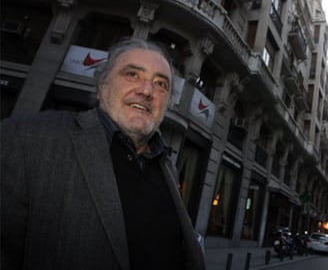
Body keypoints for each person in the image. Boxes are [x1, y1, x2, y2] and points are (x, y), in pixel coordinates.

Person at [1, 38, 206, 270]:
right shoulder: (27, 138)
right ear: (102, 86)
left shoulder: (165, 164)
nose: (147, 91)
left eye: (161, 84)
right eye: (132, 74)